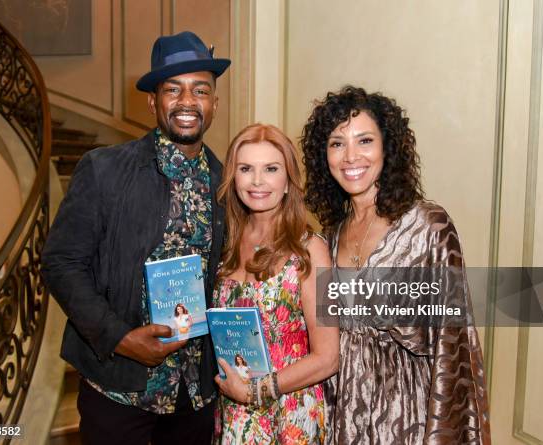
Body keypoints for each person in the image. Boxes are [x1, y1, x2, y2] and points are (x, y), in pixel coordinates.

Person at [41, 31, 230, 445]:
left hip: (195, 394)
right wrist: (120, 338)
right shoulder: (104, 169)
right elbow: (60, 263)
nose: (187, 101)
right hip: (118, 388)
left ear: (214, 102)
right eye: (172, 90)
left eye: (200, 90)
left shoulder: (227, 183)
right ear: (153, 102)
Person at [301, 86, 491, 444]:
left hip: (409, 417)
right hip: (347, 415)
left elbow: (454, 350)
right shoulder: (332, 236)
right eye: (337, 143)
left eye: (365, 141)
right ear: (322, 156)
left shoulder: (427, 228)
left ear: (387, 148)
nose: (351, 156)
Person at [212, 123, 338, 444]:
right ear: (233, 178)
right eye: (245, 169)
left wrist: (256, 390)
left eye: (270, 168)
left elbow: (328, 357)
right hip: (233, 410)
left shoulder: (311, 249)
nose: (257, 181)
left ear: (287, 182)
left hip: (291, 413)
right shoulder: (226, 244)